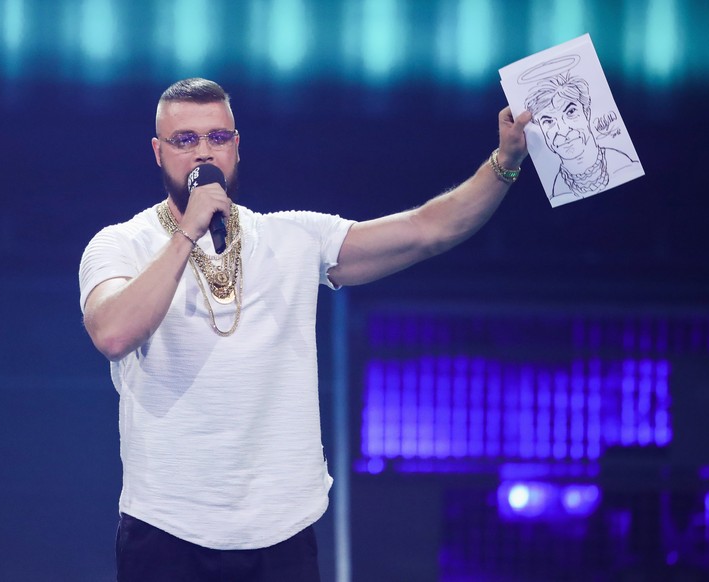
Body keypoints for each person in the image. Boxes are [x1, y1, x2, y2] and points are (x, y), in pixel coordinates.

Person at [78, 77, 530, 581]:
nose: (203, 152)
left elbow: (427, 231)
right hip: (167, 530)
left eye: (218, 137)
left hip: (281, 534)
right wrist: (189, 231)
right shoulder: (120, 244)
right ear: (158, 152)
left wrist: (505, 164)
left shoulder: (292, 236)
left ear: (237, 146)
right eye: (185, 140)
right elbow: (113, 334)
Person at [524, 73, 640, 205]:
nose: (563, 130)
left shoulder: (624, 165)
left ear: (587, 113)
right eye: (548, 121)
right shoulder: (555, 191)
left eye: (571, 112)